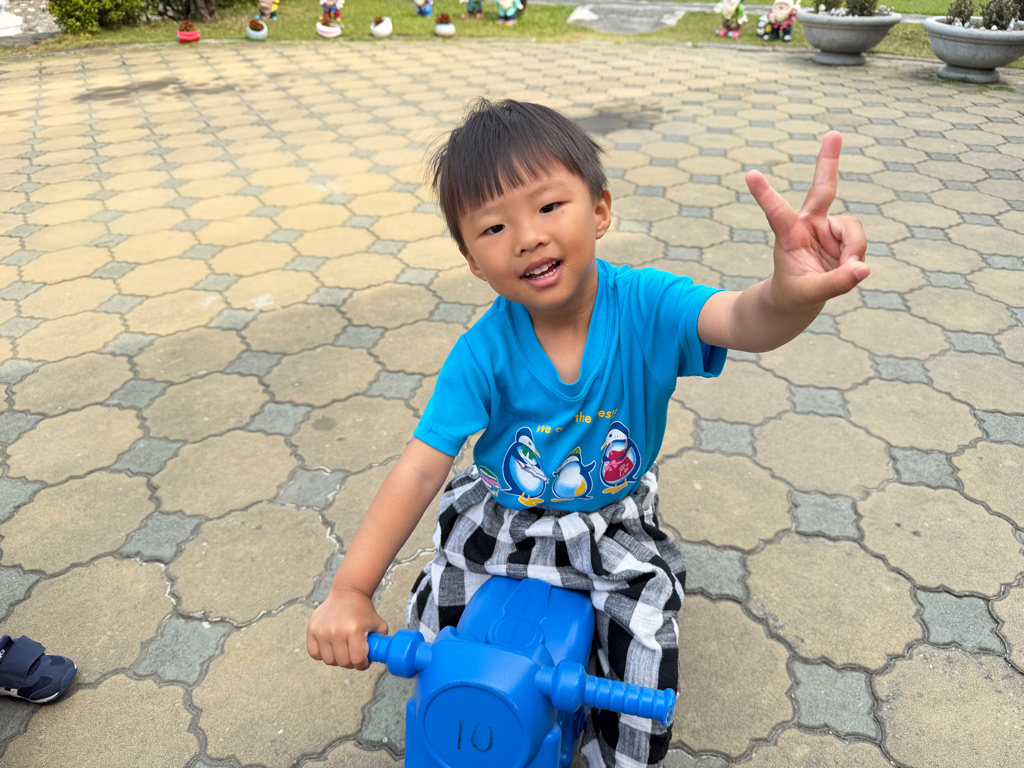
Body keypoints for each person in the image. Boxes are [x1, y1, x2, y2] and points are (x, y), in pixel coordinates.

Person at [306, 99, 868, 767]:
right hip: (505, 517)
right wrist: (351, 590)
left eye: (549, 207)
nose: (527, 237)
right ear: (472, 260)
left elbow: (746, 320)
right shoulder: (481, 351)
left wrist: (791, 293)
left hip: (608, 517)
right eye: (493, 227)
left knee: (643, 648)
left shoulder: (648, 305)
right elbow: (421, 467)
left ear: (599, 210)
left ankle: (619, 756)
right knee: (434, 622)